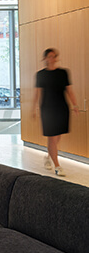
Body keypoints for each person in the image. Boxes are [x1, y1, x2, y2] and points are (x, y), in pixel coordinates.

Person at [34, 48, 79, 177]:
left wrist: (75, 104)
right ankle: (57, 166)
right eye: (49, 56)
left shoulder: (63, 73)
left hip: (61, 108)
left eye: (54, 56)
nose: (51, 59)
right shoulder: (40, 74)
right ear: (45, 59)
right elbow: (37, 94)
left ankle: (48, 157)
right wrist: (34, 109)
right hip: (47, 109)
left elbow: (69, 90)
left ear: (56, 58)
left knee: (57, 136)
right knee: (52, 137)